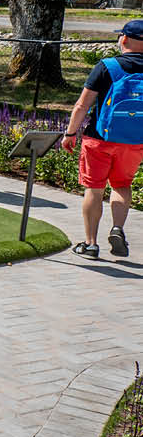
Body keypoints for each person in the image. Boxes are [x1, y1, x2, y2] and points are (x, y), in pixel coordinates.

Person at [63, 20, 143, 259]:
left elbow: (81, 105)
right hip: (134, 141)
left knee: (94, 189)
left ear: (125, 40)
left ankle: (90, 244)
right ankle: (117, 228)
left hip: (99, 139)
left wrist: (69, 133)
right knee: (121, 185)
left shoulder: (107, 66)